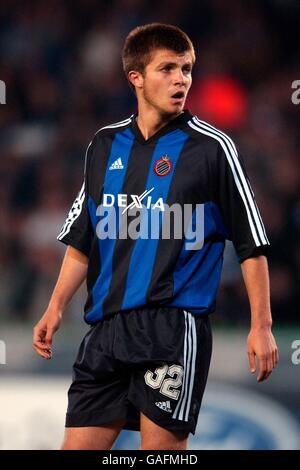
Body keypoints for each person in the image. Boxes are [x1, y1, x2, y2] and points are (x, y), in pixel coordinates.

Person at [33, 23, 279, 450]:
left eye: (186, 68)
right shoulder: (104, 145)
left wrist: (262, 325)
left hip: (172, 329)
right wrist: (55, 308)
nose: (181, 78)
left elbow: (250, 243)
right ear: (136, 78)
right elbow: (83, 237)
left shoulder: (213, 148)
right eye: (167, 68)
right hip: (105, 329)